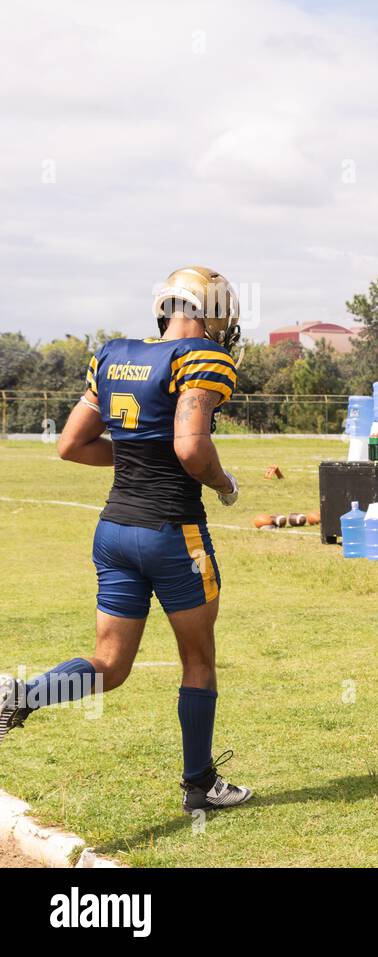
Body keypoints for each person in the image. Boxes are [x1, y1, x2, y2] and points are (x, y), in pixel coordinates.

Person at [0, 266, 252, 813]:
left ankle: (22, 695)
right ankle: (199, 786)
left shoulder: (114, 354)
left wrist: (139, 457)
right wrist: (225, 483)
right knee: (198, 661)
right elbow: (191, 448)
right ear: (209, 312)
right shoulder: (203, 359)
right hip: (171, 532)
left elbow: (70, 444)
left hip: (114, 530)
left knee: (109, 667)